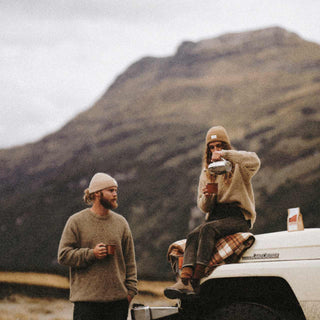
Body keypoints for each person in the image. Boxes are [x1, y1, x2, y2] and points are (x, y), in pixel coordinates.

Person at [165, 126, 260, 299]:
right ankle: (184, 280)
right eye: (212, 147)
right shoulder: (207, 172)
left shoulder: (239, 167)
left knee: (208, 230)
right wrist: (209, 196)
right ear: (207, 150)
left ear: (226, 146)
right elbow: (204, 207)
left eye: (219, 145)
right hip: (216, 217)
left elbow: (255, 160)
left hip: (238, 216)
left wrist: (226, 155)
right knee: (194, 234)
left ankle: (196, 279)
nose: (215, 150)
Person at [58, 172, 138, 320]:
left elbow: (130, 261)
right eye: (111, 191)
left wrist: (130, 292)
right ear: (97, 194)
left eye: (116, 190)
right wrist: (92, 254)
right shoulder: (76, 221)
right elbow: (63, 256)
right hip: (86, 304)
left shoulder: (121, 223)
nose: (115, 194)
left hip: (117, 304)